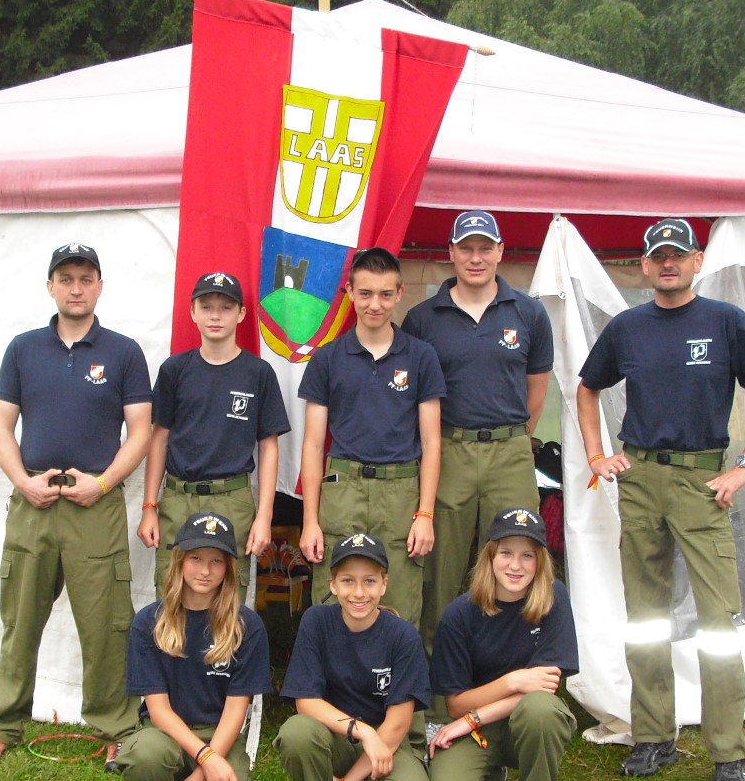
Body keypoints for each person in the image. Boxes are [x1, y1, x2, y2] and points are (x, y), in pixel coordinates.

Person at [577, 217, 745, 781]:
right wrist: (597, 454)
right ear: (644, 267)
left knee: (719, 623)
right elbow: (587, 387)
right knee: (645, 619)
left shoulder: (726, 323)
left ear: (696, 261)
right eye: (657, 256)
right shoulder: (626, 328)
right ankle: (654, 737)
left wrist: (743, 465)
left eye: (678, 254)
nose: (667, 263)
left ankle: (728, 753)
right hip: (641, 479)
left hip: (704, 482)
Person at [0, 241, 152, 768]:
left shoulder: (122, 353)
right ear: (50, 286)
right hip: (35, 503)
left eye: (86, 278)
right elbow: (3, 428)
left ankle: (115, 725)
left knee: (107, 624)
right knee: (20, 619)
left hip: (96, 505)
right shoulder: (23, 349)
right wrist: (23, 482)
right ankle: (1, 725)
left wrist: (103, 482)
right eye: (66, 278)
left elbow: (140, 432)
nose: (76, 288)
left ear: (99, 286)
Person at [400, 211, 553, 646]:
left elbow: (536, 392)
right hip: (449, 450)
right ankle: (435, 686)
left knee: (516, 561)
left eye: (485, 248)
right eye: (466, 248)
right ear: (450, 253)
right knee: (440, 568)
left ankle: (513, 669)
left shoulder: (529, 313)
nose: (475, 257)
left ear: (501, 252)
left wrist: (516, 440)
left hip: (510, 450)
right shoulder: (423, 318)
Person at [298, 247, 443, 626]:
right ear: (349, 292)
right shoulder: (327, 359)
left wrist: (424, 514)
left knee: (399, 605)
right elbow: (313, 445)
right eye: (365, 293)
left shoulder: (421, 357)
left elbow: (431, 443)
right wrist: (310, 520)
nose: (374, 304)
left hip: (400, 494)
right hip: (342, 490)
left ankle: (395, 686)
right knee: (333, 603)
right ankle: (328, 685)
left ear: (399, 293)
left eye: (384, 294)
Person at [275, 532, 437, 781]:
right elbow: (305, 701)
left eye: (369, 581)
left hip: (387, 744)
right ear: (333, 584)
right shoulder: (317, 621)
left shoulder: (402, 635)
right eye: (348, 581)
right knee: (296, 733)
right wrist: (363, 731)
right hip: (335, 739)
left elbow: (398, 724)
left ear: (384, 585)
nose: (359, 592)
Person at [428, 507, 579, 781]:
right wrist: (512, 681)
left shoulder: (553, 598)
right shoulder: (460, 614)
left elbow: (544, 687)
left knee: (539, 710)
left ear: (540, 561)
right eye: (506, 553)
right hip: (481, 730)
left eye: (527, 555)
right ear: (490, 557)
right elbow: (454, 705)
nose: (516, 565)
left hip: (529, 721)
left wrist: (473, 715)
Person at [117, 511, 271, 781]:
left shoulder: (247, 626)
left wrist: (202, 774)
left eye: (216, 561)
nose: (205, 570)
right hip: (167, 732)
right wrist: (205, 760)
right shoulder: (148, 623)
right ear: (179, 562)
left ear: (229, 569)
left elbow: (236, 711)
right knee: (145, 756)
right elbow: (158, 710)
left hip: (220, 736)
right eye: (196, 559)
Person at [140, 271, 289, 595]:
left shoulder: (258, 373)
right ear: (193, 312)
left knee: (227, 604)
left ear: (241, 314)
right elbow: (159, 439)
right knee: (171, 599)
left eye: (225, 307)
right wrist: (150, 507)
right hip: (178, 499)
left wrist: (264, 516)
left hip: (232, 500)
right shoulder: (174, 370)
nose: (216, 315)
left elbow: (269, 447)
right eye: (206, 307)